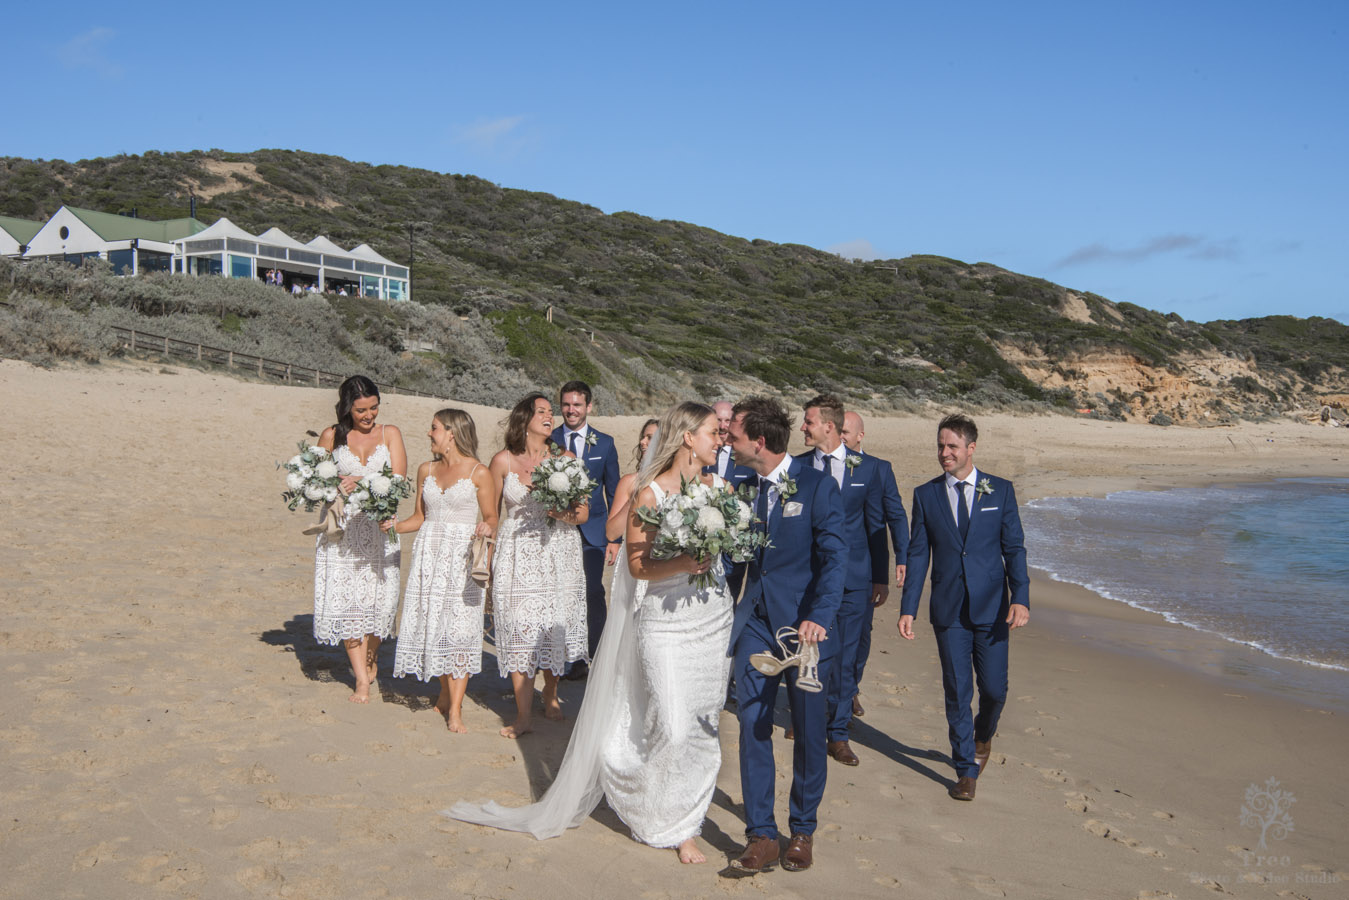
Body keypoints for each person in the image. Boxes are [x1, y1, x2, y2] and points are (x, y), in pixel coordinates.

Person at [447, 402, 734, 865]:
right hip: (663, 621)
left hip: (711, 619)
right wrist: (684, 562)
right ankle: (640, 789)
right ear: (687, 438)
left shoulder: (720, 489)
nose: (719, 439)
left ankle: (686, 824)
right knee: (672, 723)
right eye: (711, 432)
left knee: (701, 727)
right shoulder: (649, 493)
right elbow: (638, 566)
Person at [726, 396, 846, 873]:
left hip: (806, 631)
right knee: (752, 722)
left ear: (759, 441)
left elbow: (836, 558)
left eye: (733, 435)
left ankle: (801, 830)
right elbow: (735, 560)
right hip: (755, 623)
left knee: (809, 731)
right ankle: (760, 835)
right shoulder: (740, 488)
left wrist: (819, 616)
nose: (727, 441)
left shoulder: (818, 486)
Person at [898, 413, 1030, 802]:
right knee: (957, 690)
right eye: (940, 446)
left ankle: (983, 734)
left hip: (993, 609)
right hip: (949, 609)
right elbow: (918, 553)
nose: (944, 453)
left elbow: (1014, 549)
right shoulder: (926, 495)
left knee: (994, 690)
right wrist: (909, 607)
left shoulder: (1000, 491)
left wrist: (1020, 597)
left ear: (971, 448)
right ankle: (965, 768)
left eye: (952, 446)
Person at [795, 394, 904, 765]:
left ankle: (838, 733)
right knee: (807, 653)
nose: (802, 428)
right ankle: (806, 718)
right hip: (807, 577)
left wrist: (882, 576)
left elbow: (878, 525)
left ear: (829, 426)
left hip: (855, 579)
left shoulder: (870, 469)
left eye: (807, 421)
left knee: (843, 658)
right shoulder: (796, 467)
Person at [390, 409, 499, 732]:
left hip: (462, 557)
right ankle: (443, 692)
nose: (429, 433)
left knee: (461, 629)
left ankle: (455, 709)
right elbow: (419, 518)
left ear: (451, 433)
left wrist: (485, 526)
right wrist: (392, 526)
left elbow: (492, 517)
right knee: (433, 623)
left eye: (434, 428)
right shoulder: (426, 470)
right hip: (429, 555)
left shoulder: (479, 472)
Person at [490, 393, 589, 738]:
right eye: (542, 412)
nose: (550, 417)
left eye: (551, 412)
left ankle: (550, 692)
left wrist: (558, 512)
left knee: (553, 624)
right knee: (519, 628)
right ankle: (523, 715)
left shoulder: (566, 458)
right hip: (517, 553)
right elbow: (490, 515)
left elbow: (583, 513)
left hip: (558, 552)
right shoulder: (502, 461)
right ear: (525, 419)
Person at [313, 375, 407, 703]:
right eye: (361, 410)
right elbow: (313, 482)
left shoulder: (390, 433)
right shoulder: (331, 436)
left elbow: (399, 481)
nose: (369, 416)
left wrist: (364, 482)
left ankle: (371, 655)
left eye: (374, 408)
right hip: (343, 531)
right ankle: (362, 680)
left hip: (380, 531)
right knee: (350, 605)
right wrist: (337, 484)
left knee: (382, 602)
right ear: (347, 408)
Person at [838, 409, 908, 720]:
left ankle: (850, 688)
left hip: (866, 566)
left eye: (845, 433)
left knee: (861, 636)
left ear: (860, 436)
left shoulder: (879, 468)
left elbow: (896, 515)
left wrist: (901, 558)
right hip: (827, 565)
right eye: (836, 431)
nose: (840, 437)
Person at [551, 380, 620, 676]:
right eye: (566, 404)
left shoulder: (604, 443)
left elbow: (615, 492)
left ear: (589, 407)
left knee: (591, 590)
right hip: (555, 530)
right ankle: (564, 654)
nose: (571, 410)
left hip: (594, 532)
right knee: (560, 592)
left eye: (577, 405)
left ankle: (593, 655)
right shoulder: (549, 439)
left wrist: (615, 539)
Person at [605, 418, 659, 544]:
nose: (642, 442)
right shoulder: (630, 481)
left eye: (650, 437)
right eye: (643, 437)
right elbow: (611, 533)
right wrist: (635, 498)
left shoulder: (676, 480)